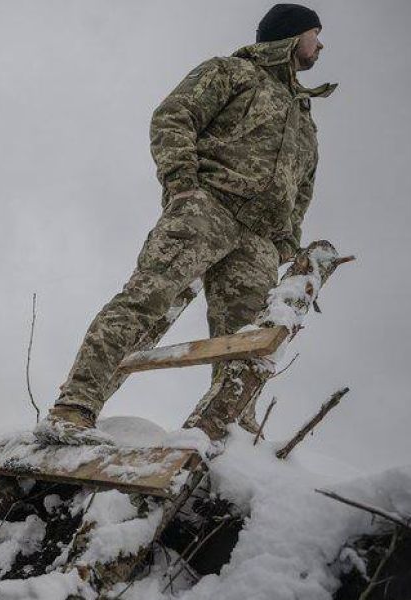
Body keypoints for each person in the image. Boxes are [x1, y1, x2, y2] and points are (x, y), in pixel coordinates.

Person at [36, 4, 336, 444]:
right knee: (145, 301)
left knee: (246, 343)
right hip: (207, 207)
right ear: (292, 36)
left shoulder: (305, 119)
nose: (321, 44)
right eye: (316, 33)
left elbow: (303, 187)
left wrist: (286, 240)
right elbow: (174, 115)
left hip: (259, 240)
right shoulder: (232, 72)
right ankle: (75, 406)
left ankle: (227, 439)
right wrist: (184, 185)